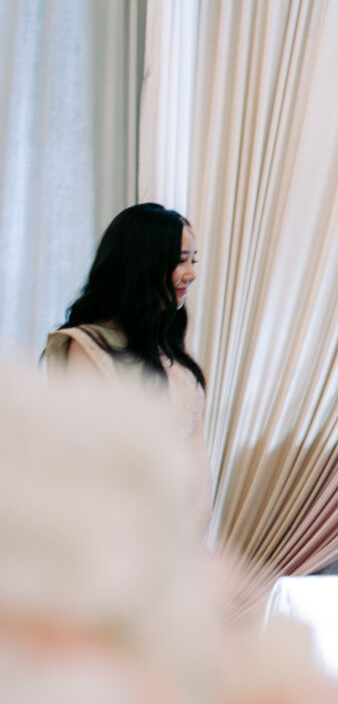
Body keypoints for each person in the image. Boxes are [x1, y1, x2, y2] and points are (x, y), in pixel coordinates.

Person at [44, 202, 213, 536]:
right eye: (180, 260)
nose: (191, 274)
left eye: (193, 260)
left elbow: (195, 445)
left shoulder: (174, 349)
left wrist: (198, 516)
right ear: (143, 262)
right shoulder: (86, 346)